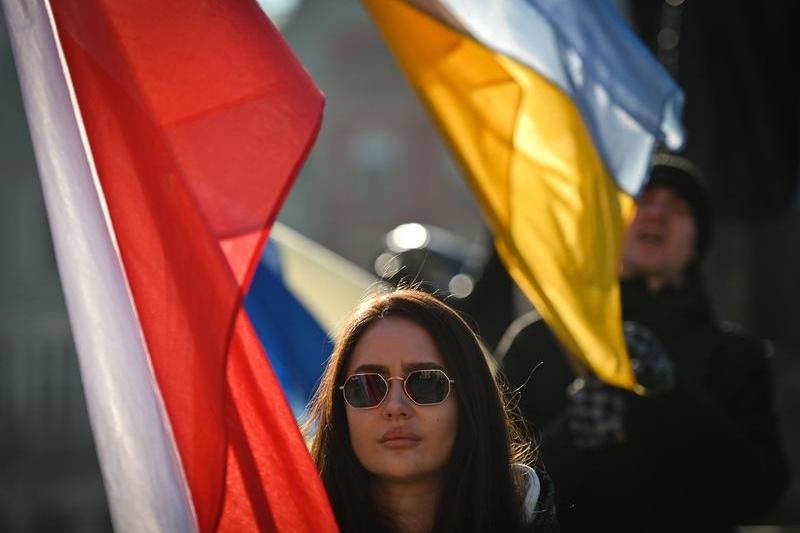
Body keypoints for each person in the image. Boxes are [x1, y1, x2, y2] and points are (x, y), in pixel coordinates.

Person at [498, 155, 789, 532]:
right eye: (641, 199)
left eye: (678, 207)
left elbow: (757, 497)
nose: (656, 214)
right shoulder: (537, 342)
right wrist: (569, 435)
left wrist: (673, 395)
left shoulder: (735, 356)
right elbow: (493, 485)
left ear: (695, 247)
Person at [304, 288, 558, 532]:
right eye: (367, 386)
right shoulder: (289, 523)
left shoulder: (528, 514)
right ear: (340, 411)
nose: (395, 407)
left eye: (425, 382)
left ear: (469, 401)